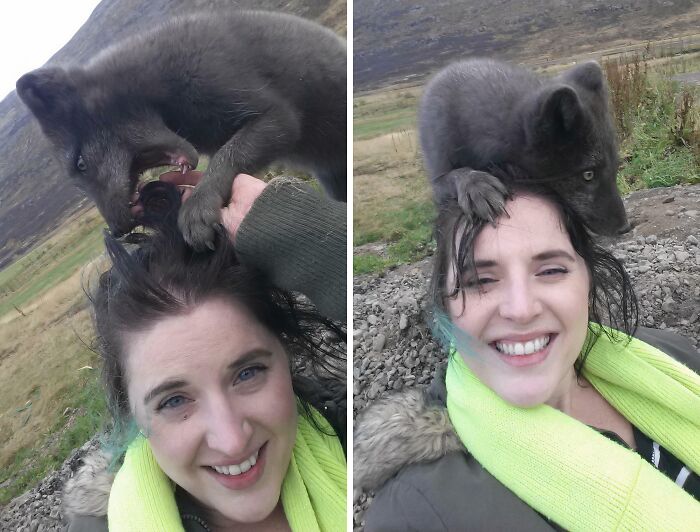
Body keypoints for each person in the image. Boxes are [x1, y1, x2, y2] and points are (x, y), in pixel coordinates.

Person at [355, 182, 700, 530]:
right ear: (445, 305)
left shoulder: (670, 358)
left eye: (551, 271)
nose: (520, 310)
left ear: (589, 282)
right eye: (480, 280)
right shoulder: (417, 514)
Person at [63, 173, 347, 531]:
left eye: (248, 373)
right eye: (174, 401)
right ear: (131, 414)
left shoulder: (350, 437)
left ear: (286, 354)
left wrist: (308, 237)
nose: (231, 441)